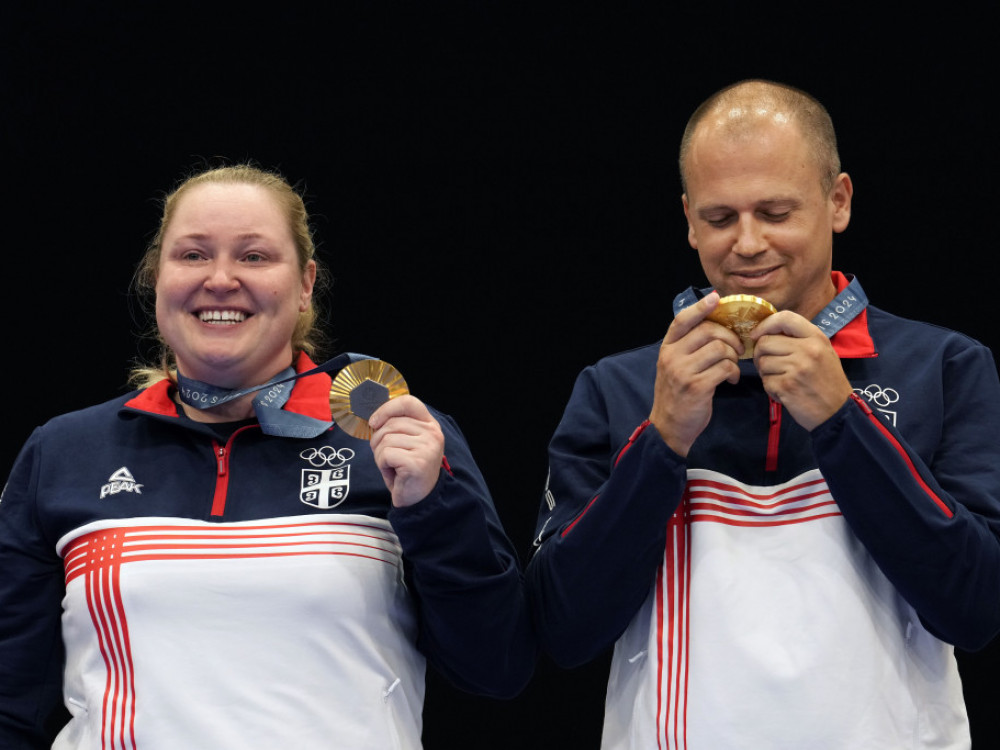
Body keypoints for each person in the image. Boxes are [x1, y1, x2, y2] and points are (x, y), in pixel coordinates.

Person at [526, 79, 1000, 749]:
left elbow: (977, 610)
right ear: (689, 219)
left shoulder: (947, 368)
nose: (746, 245)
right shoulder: (620, 388)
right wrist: (661, 441)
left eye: (775, 212)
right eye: (720, 219)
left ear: (838, 202)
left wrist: (842, 421)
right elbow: (563, 632)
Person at [0, 163, 536, 749]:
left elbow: (497, 669)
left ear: (306, 283)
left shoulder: (399, 438)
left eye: (254, 256)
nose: (222, 279)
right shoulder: (64, 451)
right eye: (194, 255)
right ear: (157, 277)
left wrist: (433, 508)